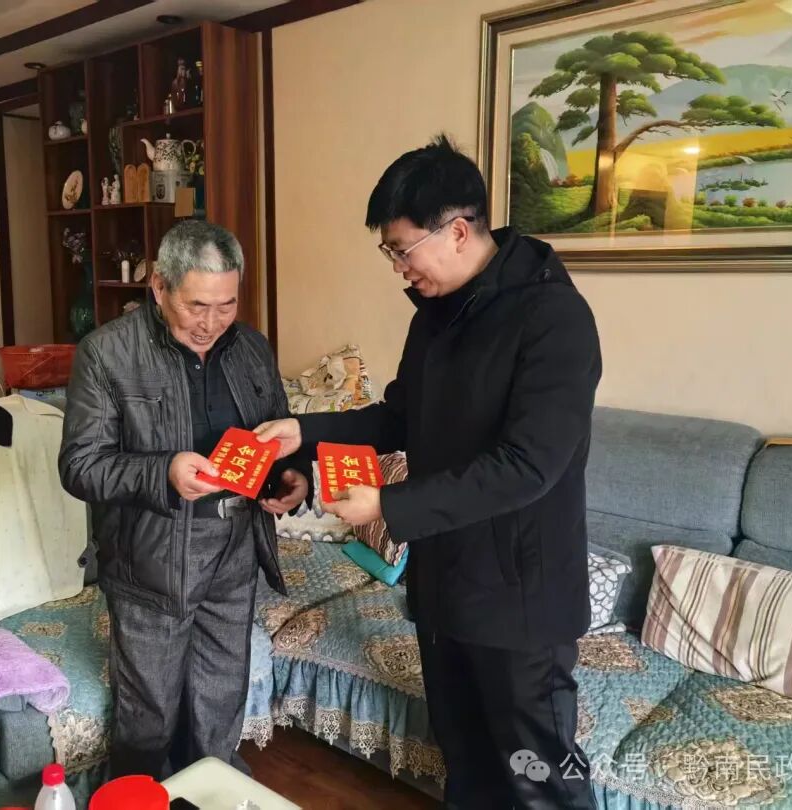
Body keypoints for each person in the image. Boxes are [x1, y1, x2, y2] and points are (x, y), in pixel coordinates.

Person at [256, 135, 601, 809]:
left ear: (458, 231)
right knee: (464, 767)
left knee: (540, 784)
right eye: (389, 252)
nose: (398, 267)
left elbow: (527, 466)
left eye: (401, 249)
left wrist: (388, 506)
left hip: (520, 603)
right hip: (445, 585)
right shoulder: (438, 317)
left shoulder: (554, 318)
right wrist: (304, 434)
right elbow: (399, 419)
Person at [59, 220, 312, 780]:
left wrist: (292, 478)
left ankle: (210, 791)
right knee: (148, 718)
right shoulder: (107, 353)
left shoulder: (250, 348)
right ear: (159, 286)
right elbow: (80, 466)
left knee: (220, 703)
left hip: (237, 547)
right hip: (150, 557)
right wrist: (162, 471)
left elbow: (274, 436)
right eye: (197, 305)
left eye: (226, 305)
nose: (211, 323)